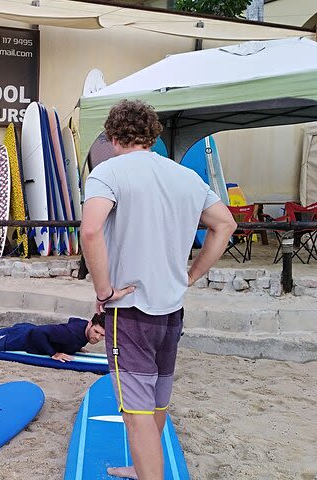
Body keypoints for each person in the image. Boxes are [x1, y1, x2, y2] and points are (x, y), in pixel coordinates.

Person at [81, 100, 236, 480]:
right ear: (153, 136)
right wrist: (193, 275)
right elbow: (226, 225)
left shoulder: (107, 172)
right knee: (156, 398)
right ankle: (141, 467)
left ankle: (147, 471)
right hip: (171, 306)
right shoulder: (185, 177)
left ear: (113, 137)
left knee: (135, 413)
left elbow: (90, 229)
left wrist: (103, 291)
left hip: (129, 308)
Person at [0, 313, 105, 361]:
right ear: (90, 324)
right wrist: (54, 353)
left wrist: (77, 347)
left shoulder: (83, 327)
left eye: (102, 335)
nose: (97, 338)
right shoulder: (70, 334)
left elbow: (73, 320)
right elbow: (38, 333)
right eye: (96, 332)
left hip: (25, 330)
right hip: (23, 337)